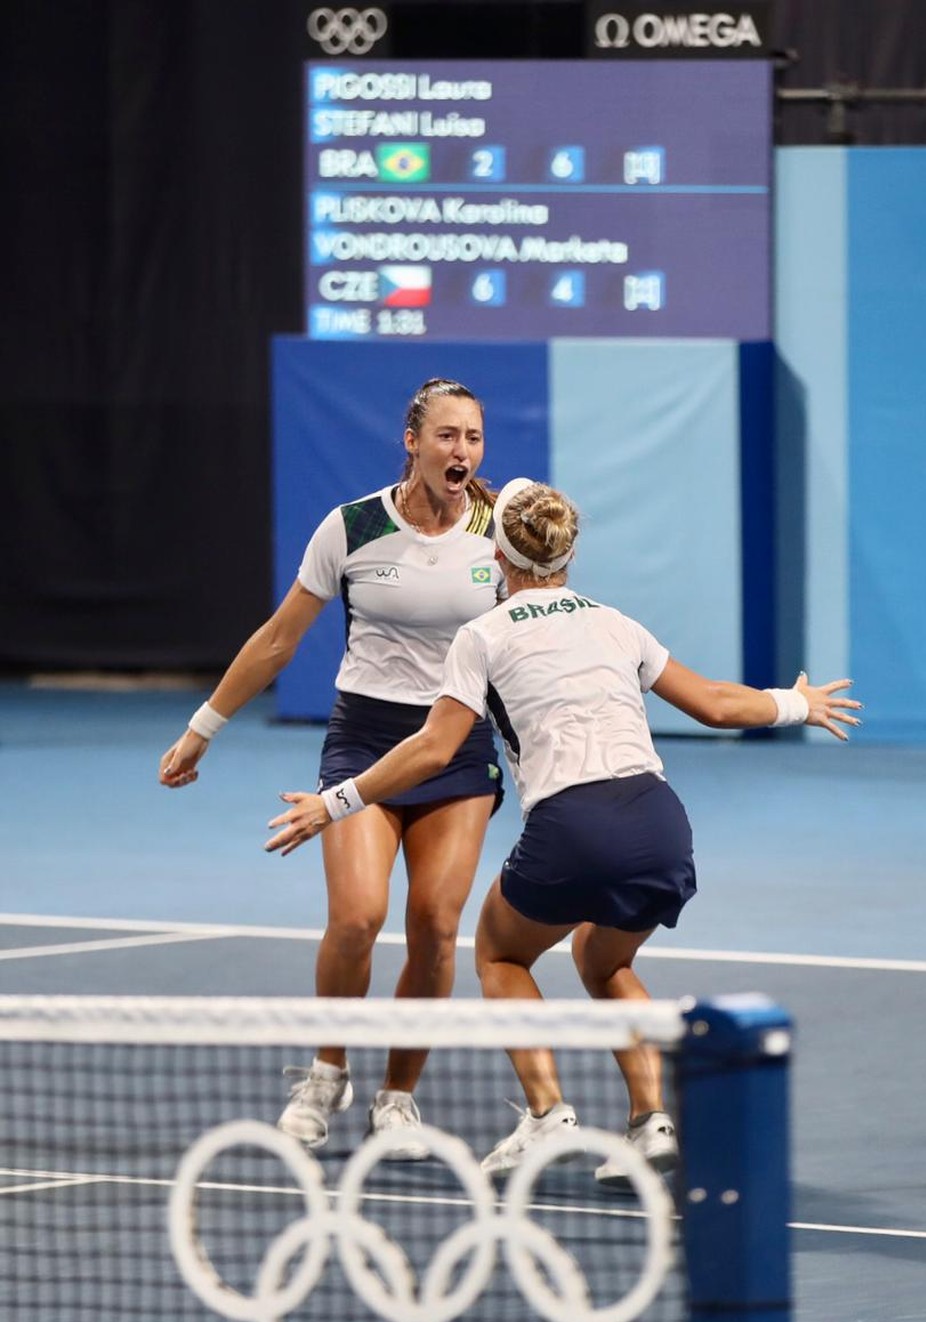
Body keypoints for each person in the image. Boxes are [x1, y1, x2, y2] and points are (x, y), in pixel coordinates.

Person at [265, 478, 862, 1183]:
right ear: (568, 553)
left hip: (571, 827)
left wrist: (335, 802)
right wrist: (798, 701)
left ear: (497, 554)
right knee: (605, 962)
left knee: (497, 952)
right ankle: (650, 1121)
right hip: (660, 825)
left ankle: (548, 1113)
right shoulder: (616, 622)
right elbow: (715, 704)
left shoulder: (480, 636)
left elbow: (431, 750)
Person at [160, 378, 505, 1159]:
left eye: (474, 438)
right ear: (411, 442)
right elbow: (279, 639)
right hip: (364, 739)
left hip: (455, 746)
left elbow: (528, 639)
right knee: (355, 916)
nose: (462, 452)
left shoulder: (497, 532)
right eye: (447, 436)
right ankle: (326, 1070)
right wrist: (201, 728)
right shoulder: (349, 527)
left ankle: (399, 1097)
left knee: (435, 925)